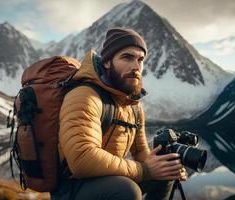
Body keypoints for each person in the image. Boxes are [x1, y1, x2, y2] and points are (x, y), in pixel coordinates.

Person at [52, 28, 187, 200]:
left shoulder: (133, 106)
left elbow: (141, 153)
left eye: (140, 60)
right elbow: (82, 159)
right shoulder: (85, 95)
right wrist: (144, 170)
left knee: (164, 174)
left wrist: (164, 166)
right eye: (127, 57)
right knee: (126, 190)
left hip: (109, 178)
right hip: (72, 187)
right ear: (107, 62)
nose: (136, 66)